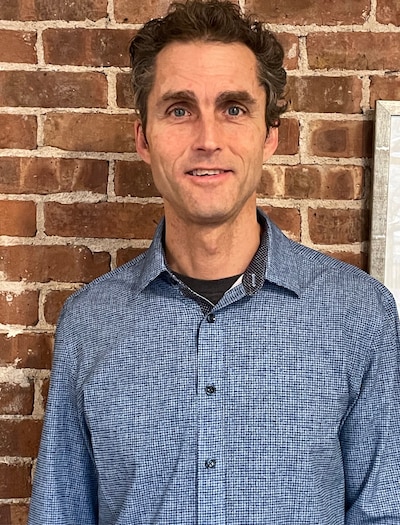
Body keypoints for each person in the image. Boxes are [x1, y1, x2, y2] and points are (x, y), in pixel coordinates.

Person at [28, 1, 400, 523]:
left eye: (234, 108)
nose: (207, 139)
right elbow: (60, 511)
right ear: (144, 137)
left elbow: (384, 510)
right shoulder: (90, 323)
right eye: (179, 109)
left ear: (270, 135)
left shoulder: (359, 315)